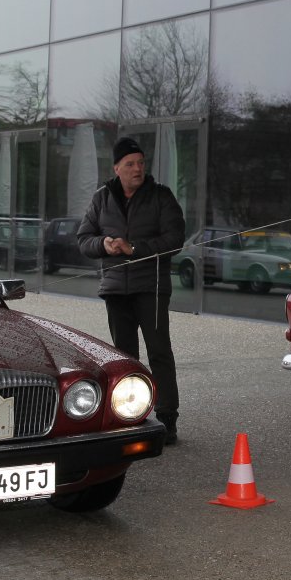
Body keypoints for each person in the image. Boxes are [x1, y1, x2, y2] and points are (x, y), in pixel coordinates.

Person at [76, 137, 187, 445]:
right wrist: (104, 244)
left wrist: (134, 248)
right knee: (124, 358)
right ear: (117, 168)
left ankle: (167, 417)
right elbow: (83, 239)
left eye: (141, 163)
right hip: (115, 290)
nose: (137, 168)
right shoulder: (101, 198)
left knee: (159, 353)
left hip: (151, 288)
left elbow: (175, 239)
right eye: (130, 164)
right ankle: (130, 416)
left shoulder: (161, 196)